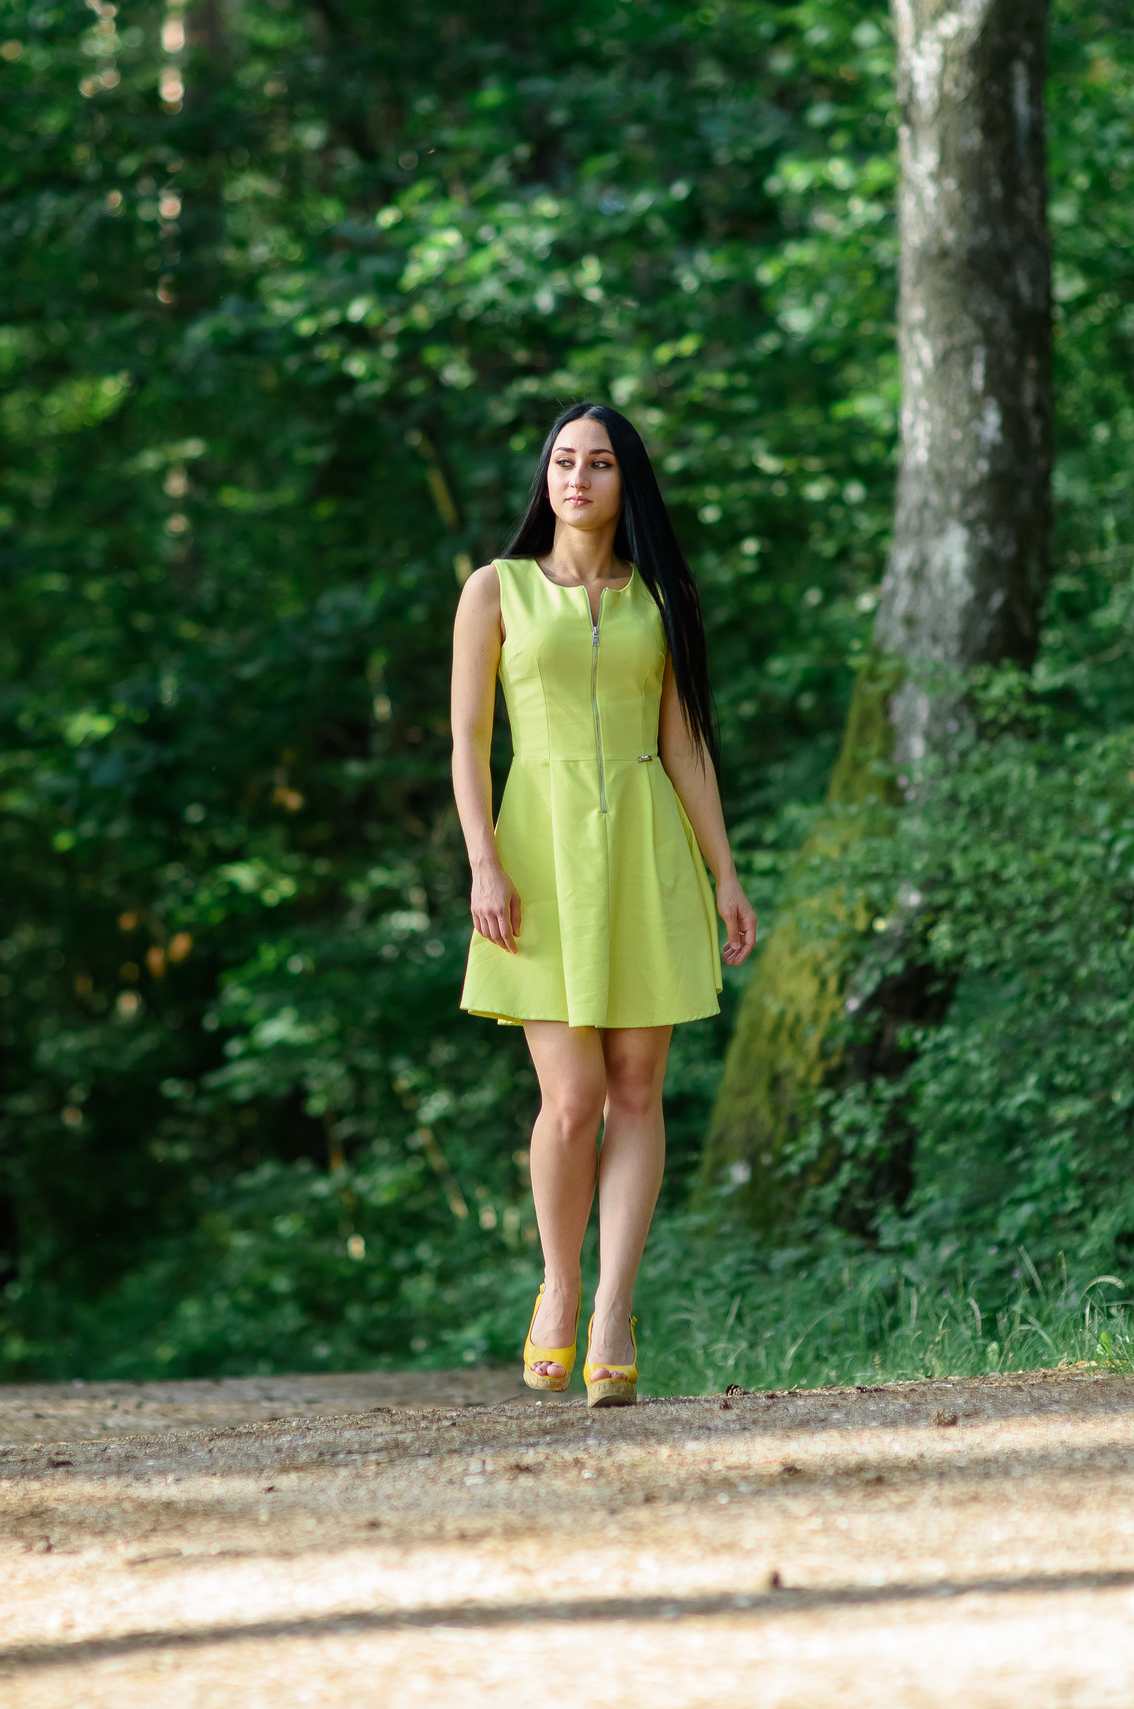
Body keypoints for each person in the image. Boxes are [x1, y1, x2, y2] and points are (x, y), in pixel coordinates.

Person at [449, 402, 759, 1407]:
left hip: (643, 848)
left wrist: (725, 872)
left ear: (628, 482)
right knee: (571, 1097)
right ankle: (558, 1280)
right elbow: (464, 740)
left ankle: (615, 1310)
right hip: (535, 852)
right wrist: (482, 862)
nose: (574, 479)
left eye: (597, 465)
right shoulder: (493, 590)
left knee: (636, 1090)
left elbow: (683, 744)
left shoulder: (661, 595)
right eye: (561, 461)